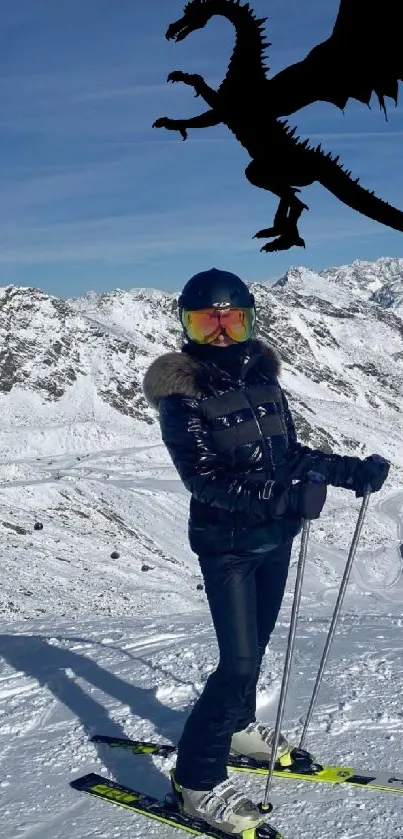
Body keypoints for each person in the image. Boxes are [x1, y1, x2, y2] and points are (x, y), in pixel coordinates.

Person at [142, 268, 389, 834]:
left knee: (258, 646)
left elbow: (288, 455)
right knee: (239, 663)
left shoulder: (264, 380)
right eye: (209, 322)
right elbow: (204, 479)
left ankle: (239, 729)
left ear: (251, 320)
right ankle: (197, 782)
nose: (223, 333)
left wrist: (348, 471)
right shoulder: (182, 396)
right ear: (188, 327)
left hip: (274, 540)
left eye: (233, 319)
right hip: (227, 547)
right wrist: (283, 499)